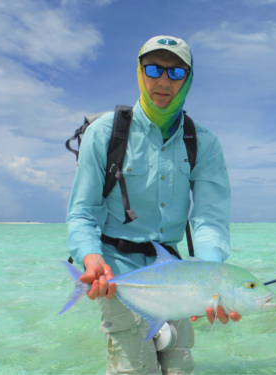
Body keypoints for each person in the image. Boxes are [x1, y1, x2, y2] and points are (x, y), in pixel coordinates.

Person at [66, 35, 240, 374]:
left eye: (176, 72)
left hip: (173, 271)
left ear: (188, 80)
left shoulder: (203, 142)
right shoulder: (104, 133)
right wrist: (91, 255)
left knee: (180, 366)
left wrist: (210, 276)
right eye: (154, 69)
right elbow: (82, 212)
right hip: (115, 268)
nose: (163, 80)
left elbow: (209, 218)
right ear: (139, 72)